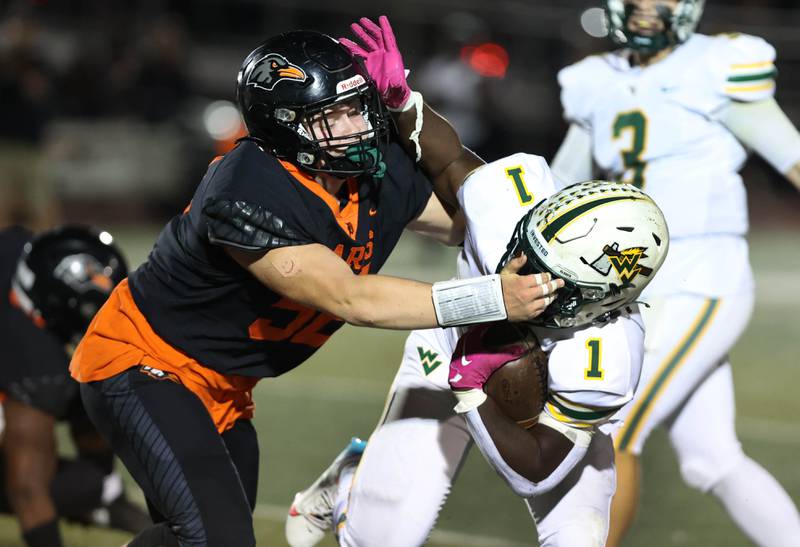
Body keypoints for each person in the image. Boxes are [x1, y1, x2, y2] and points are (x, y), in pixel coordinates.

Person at [69, 29, 560, 547]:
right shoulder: (246, 189)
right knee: (219, 539)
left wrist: (410, 109)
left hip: (227, 385)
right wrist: (491, 297)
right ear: (283, 128)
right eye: (332, 117)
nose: (357, 127)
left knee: (201, 537)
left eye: (358, 107)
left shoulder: (375, 167)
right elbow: (350, 298)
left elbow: (476, 218)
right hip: (143, 365)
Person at [285, 16, 668, 547]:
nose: (518, 262)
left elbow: (535, 469)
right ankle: (357, 478)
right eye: (529, 245)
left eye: (543, 268)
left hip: (540, 419)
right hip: (446, 351)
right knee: (381, 540)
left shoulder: (607, 353)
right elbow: (447, 161)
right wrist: (399, 101)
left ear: (592, 298)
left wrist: (475, 389)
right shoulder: (513, 205)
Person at [549, 1, 800, 545]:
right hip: (633, 280)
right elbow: (560, 184)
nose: (646, 8)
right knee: (710, 459)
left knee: (613, 430)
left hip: (701, 273)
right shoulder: (594, 79)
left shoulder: (717, 64)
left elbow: (792, 156)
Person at [0, 225, 148, 547]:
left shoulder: (23, 250)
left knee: (90, 477)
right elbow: (26, 490)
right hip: (29, 366)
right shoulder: (33, 360)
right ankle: (101, 498)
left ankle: (103, 496)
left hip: (45, 360)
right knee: (23, 471)